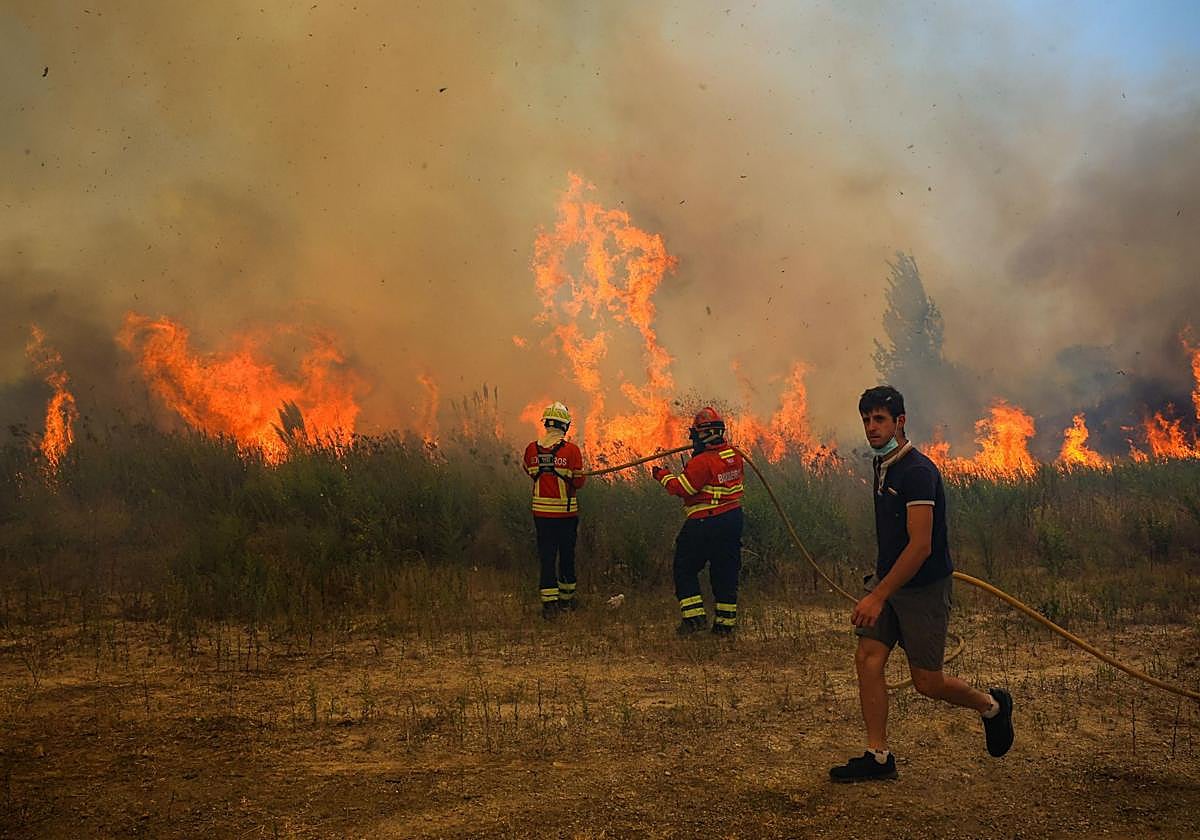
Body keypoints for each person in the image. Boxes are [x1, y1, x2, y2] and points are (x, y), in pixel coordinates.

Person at [829, 385, 1014, 782]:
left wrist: (878, 595)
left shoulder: (917, 472)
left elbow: (921, 546)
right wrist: (880, 587)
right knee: (868, 658)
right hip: (889, 581)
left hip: (921, 588)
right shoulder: (883, 464)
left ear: (900, 421)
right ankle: (878, 757)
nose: (871, 427)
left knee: (927, 683)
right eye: (866, 419)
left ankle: (992, 706)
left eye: (879, 419)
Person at [651, 407, 745, 636]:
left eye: (694, 434)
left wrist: (662, 475)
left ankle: (694, 620)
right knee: (725, 572)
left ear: (702, 434)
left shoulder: (702, 462)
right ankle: (725, 626)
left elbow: (683, 489)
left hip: (705, 522)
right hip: (733, 519)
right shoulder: (734, 455)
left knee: (684, 567)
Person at [522, 402, 586, 619]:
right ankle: (567, 601)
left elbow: (530, 472)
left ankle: (549, 606)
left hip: (541, 516)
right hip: (566, 516)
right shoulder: (571, 451)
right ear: (565, 425)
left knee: (547, 557)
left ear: (547, 424)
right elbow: (579, 482)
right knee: (566, 556)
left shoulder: (531, 449)